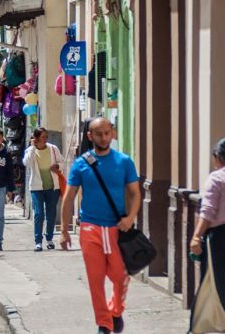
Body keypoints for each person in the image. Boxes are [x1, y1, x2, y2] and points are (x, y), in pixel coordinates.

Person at [60, 117, 140, 334]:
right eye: (98, 134)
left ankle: (116, 310)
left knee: (121, 276)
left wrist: (131, 217)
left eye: (107, 133)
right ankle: (104, 323)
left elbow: (135, 193)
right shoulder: (80, 164)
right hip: (90, 229)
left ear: (112, 133)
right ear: (90, 136)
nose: (103, 137)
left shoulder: (124, 161)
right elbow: (68, 198)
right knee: (95, 281)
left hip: (117, 229)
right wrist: (65, 231)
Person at [190, 137, 225, 334]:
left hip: (221, 237)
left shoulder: (217, 178)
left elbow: (207, 211)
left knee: (219, 282)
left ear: (217, 158)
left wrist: (196, 236)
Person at [23, 127, 64, 251]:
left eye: (46, 136)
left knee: (51, 214)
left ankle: (50, 239)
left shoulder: (53, 148)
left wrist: (57, 166)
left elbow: (62, 162)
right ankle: (38, 241)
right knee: (39, 213)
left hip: (53, 187)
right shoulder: (31, 150)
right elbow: (27, 163)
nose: (45, 139)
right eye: (43, 137)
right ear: (36, 138)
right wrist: (32, 148)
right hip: (36, 187)